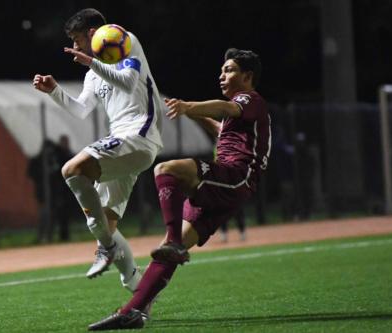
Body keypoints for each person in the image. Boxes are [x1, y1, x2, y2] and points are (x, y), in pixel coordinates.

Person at [88, 48, 271, 330]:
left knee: (166, 169)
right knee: (166, 252)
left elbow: (226, 109)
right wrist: (191, 114)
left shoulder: (249, 100)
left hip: (237, 176)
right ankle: (134, 311)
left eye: (229, 70)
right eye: (222, 70)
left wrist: (189, 106)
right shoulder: (243, 111)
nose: (222, 75)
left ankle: (174, 241)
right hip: (230, 186)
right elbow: (222, 130)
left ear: (247, 76)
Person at [33, 8, 164, 297]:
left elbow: (129, 82)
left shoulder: (125, 41)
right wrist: (54, 91)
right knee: (106, 222)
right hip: (122, 142)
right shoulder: (93, 75)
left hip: (138, 135)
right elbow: (81, 111)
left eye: (77, 39)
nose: (75, 47)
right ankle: (138, 290)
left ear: (93, 33)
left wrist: (92, 61)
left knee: (72, 169)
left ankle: (106, 247)